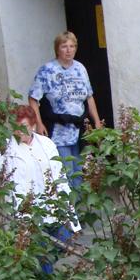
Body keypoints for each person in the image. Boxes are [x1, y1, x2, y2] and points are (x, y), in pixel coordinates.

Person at [0, 105, 80, 273]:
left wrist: (71, 216)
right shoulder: (7, 149)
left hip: (54, 210)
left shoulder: (46, 144)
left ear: (33, 125)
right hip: (29, 216)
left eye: (24, 127)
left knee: (63, 245)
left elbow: (60, 178)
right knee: (41, 257)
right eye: (16, 128)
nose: (20, 132)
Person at [28, 31, 102, 190]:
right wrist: (38, 124)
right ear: (57, 49)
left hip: (79, 128)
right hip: (59, 128)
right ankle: (70, 210)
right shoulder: (47, 70)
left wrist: (96, 122)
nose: (68, 50)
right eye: (64, 46)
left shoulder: (80, 68)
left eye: (72, 46)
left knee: (80, 170)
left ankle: (79, 208)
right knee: (65, 171)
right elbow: (33, 98)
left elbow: (89, 97)